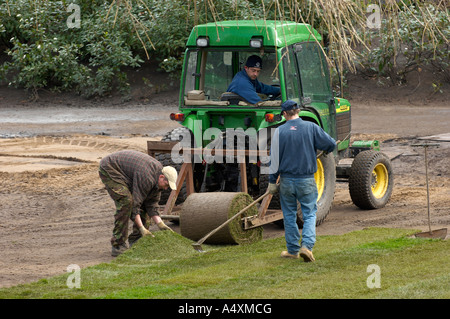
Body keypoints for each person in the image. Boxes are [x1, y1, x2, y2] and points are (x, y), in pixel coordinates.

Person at [268, 100, 336, 262]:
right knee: (310, 213)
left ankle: (292, 250)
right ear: (298, 111)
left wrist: (272, 182)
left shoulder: (279, 132)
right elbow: (331, 144)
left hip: (286, 181)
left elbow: (274, 160)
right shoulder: (311, 127)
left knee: (289, 215)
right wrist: (327, 150)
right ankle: (306, 246)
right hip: (306, 180)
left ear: (284, 114)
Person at [99, 150, 178, 257]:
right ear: (161, 177)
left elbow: (152, 204)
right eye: (166, 185)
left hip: (128, 173)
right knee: (126, 202)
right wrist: (142, 228)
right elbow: (135, 205)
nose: (166, 188)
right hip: (111, 169)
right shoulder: (147, 177)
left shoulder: (157, 181)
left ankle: (137, 240)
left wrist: (160, 224)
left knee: (143, 204)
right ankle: (118, 245)